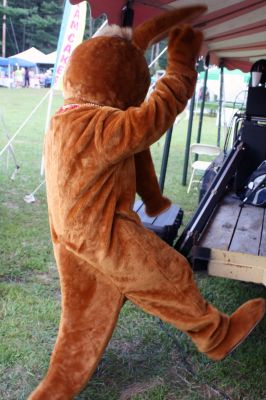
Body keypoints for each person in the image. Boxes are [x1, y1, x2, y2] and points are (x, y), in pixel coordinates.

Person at [28, 7, 265, 400]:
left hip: (70, 235)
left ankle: (53, 390)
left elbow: (133, 156)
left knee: (84, 315)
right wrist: (181, 65)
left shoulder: (66, 118)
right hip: (103, 231)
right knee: (168, 272)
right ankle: (216, 335)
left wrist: (153, 199)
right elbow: (155, 116)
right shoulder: (100, 125)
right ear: (121, 80)